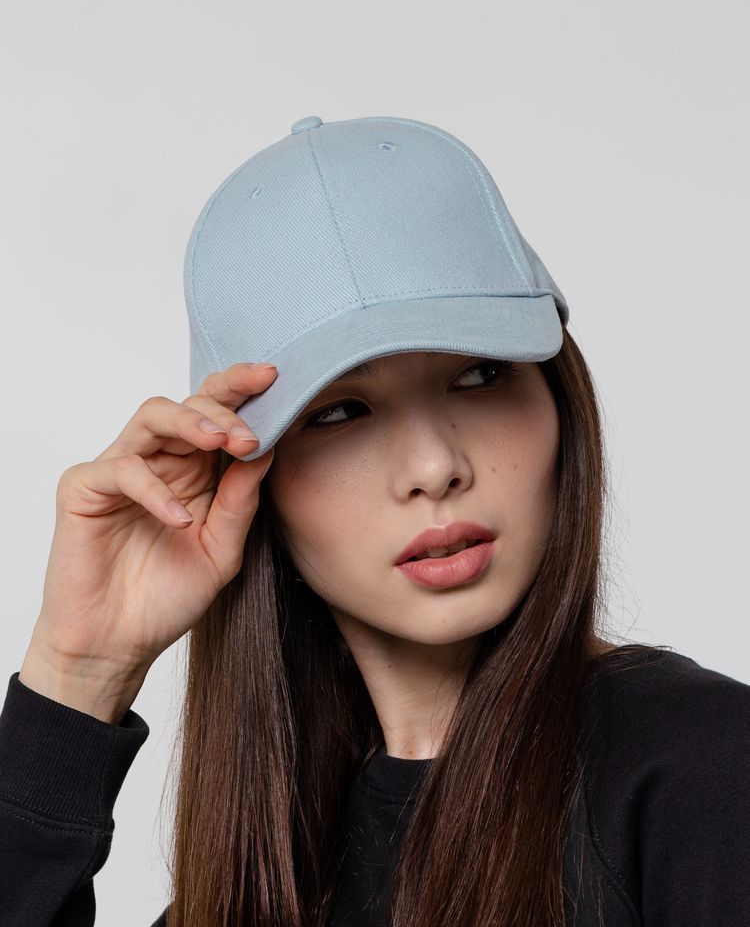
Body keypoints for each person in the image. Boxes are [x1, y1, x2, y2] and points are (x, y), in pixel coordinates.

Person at [1, 114, 748, 927]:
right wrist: (80, 673)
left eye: (481, 374)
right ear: (246, 478)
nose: (434, 466)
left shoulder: (705, 773)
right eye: (339, 412)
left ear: (559, 399)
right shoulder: (269, 877)